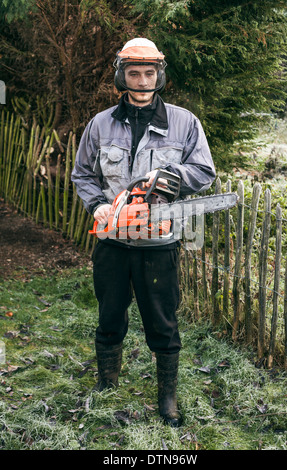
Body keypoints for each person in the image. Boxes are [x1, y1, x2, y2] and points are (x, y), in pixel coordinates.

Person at [71, 38, 216, 427]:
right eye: (133, 73)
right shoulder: (101, 124)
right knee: (109, 314)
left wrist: (167, 176)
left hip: (160, 242)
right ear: (122, 75)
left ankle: (167, 398)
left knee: (162, 322)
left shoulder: (184, 122)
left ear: (159, 75)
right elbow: (83, 173)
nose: (141, 80)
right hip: (113, 242)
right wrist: (98, 205)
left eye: (148, 73)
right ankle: (107, 382)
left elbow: (204, 172)